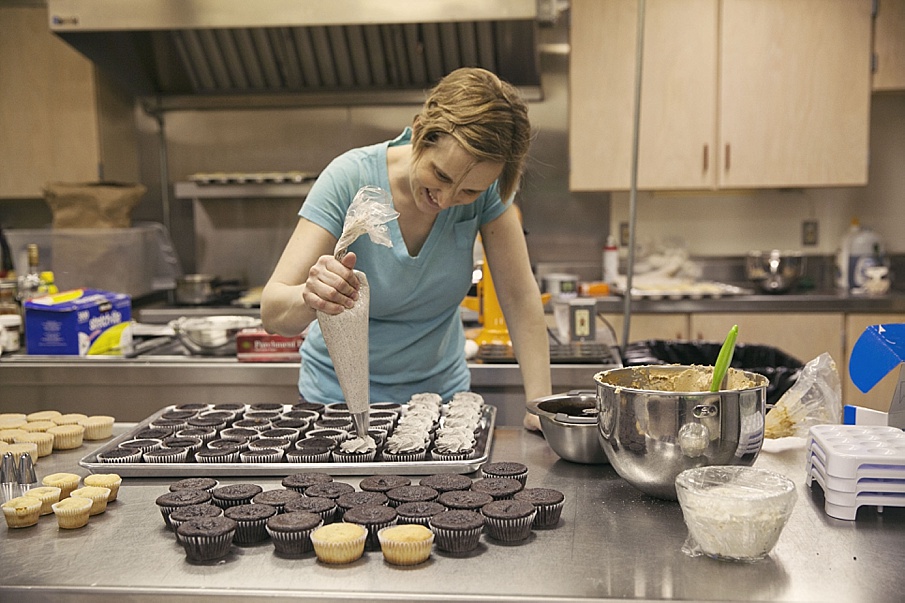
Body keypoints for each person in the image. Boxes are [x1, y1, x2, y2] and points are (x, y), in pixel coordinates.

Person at [260, 67, 550, 431]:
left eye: (469, 191)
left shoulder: (489, 194)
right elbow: (272, 312)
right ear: (419, 133)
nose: (446, 199)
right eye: (440, 175)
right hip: (336, 405)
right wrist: (312, 296)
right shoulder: (349, 177)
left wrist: (539, 407)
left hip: (440, 405)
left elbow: (520, 298)